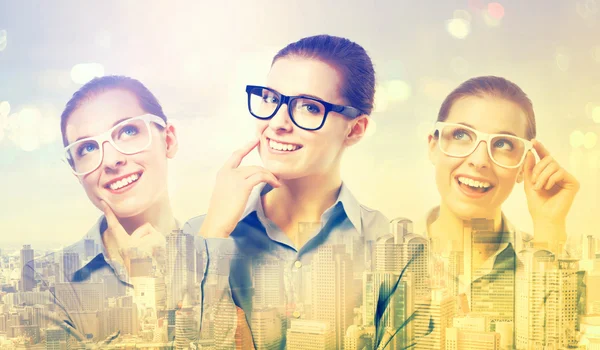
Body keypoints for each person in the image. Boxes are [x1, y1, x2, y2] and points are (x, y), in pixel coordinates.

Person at [185, 34, 390, 349]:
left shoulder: (392, 247)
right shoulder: (199, 236)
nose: (277, 122)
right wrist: (213, 232)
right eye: (270, 99)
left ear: (355, 128)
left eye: (308, 106)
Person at [26, 76, 202, 347]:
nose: (111, 160)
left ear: (168, 139)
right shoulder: (44, 283)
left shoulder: (220, 255)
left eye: (128, 131)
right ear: (77, 174)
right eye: (87, 148)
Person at [416, 75, 580, 348]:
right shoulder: (380, 257)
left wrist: (550, 228)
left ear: (523, 166)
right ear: (433, 147)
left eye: (503, 144)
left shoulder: (552, 258)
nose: (479, 161)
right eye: (461, 135)